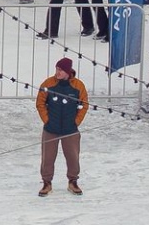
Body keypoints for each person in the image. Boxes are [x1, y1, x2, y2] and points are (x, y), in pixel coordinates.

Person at [37, 57, 87, 196]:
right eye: (57, 69)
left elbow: (84, 105)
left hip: (70, 129)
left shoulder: (78, 86)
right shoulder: (48, 84)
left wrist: (76, 122)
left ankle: (73, 181)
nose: (57, 72)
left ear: (67, 71)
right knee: (47, 157)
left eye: (61, 70)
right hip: (51, 129)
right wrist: (47, 120)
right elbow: (40, 103)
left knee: (73, 157)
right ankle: (47, 182)